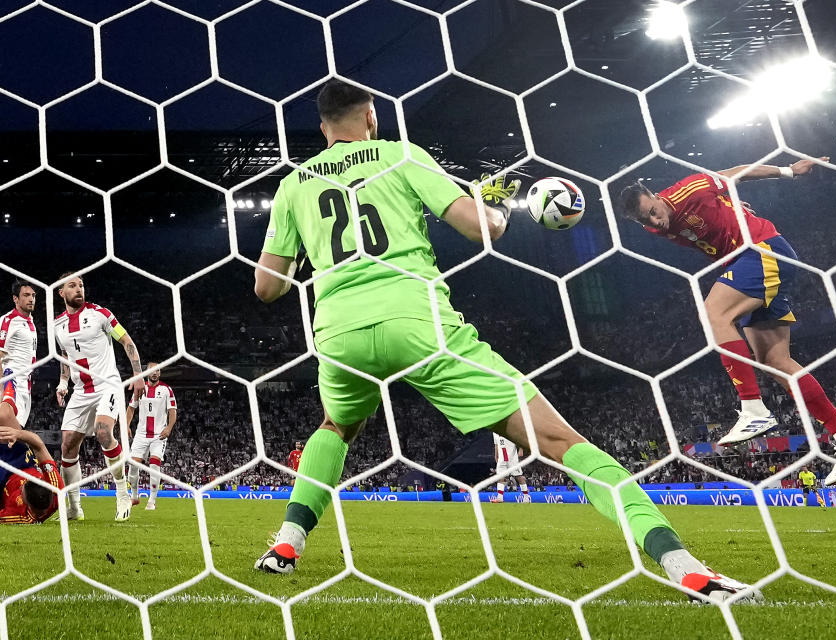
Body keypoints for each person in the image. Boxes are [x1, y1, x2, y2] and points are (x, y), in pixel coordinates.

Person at [250, 79, 759, 603]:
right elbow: (484, 229)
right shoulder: (401, 155)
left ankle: (286, 545)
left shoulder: (295, 184)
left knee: (336, 426)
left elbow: (268, 287)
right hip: (421, 326)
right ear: (372, 117)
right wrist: (487, 204)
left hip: (339, 334)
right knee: (560, 443)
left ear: (322, 127)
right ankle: (685, 568)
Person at [619, 162, 836, 485]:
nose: (656, 220)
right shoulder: (653, 227)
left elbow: (736, 172)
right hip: (746, 260)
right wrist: (733, 208)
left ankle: (754, 408)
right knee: (776, 362)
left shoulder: (691, 188)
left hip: (762, 250)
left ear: (655, 195)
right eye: (646, 219)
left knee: (714, 312)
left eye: (654, 210)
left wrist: (789, 171)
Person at [54, 273, 145, 522]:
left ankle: (122, 493)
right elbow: (65, 358)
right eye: (72, 285)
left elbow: (127, 341)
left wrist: (138, 374)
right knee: (67, 445)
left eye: (81, 285)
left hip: (107, 385)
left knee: (104, 431)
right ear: (61, 292)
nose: (78, 289)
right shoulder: (57, 325)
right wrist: (63, 383)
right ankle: (74, 507)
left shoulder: (101, 314)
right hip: (81, 391)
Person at [126, 362, 177, 510]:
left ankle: (152, 500)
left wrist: (169, 427)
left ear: (160, 373)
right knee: (133, 467)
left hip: (158, 435)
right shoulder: (140, 388)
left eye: (157, 370)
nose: (154, 373)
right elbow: (130, 408)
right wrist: (127, 425)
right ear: (147, 372)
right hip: (141, 434)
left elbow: (173, 411)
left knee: (154, 464)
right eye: (152, 370)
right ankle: (134, 497)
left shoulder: (166, 390)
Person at [0, 426, 63, 524]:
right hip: (23, 463)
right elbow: (39, 446)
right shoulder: (56, 488)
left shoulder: (17, 515)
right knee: (5, 414)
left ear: (27, 504)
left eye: (22, 490)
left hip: (3, 481)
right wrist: (18, 433)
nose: (21, 488)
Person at [1, 281, 38, 432]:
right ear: (15, 299)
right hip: (11, 381)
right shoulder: (8, 321)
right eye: (26, 295)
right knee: (14, 436)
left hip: (25, 385)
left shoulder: (30, 321)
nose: (31, 299)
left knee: (12, 436)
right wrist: (1, 392)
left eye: (33, 295)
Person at [490, 433, 530, 502]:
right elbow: (496, 444)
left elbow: (519, 438)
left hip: (512, 458)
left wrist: (521, 449)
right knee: (500, 477)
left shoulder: (508, 427)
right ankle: (500, 498)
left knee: (519, 477)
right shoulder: (494, 431)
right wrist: (496, 455)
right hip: (502, 459)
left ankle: (526, 497)